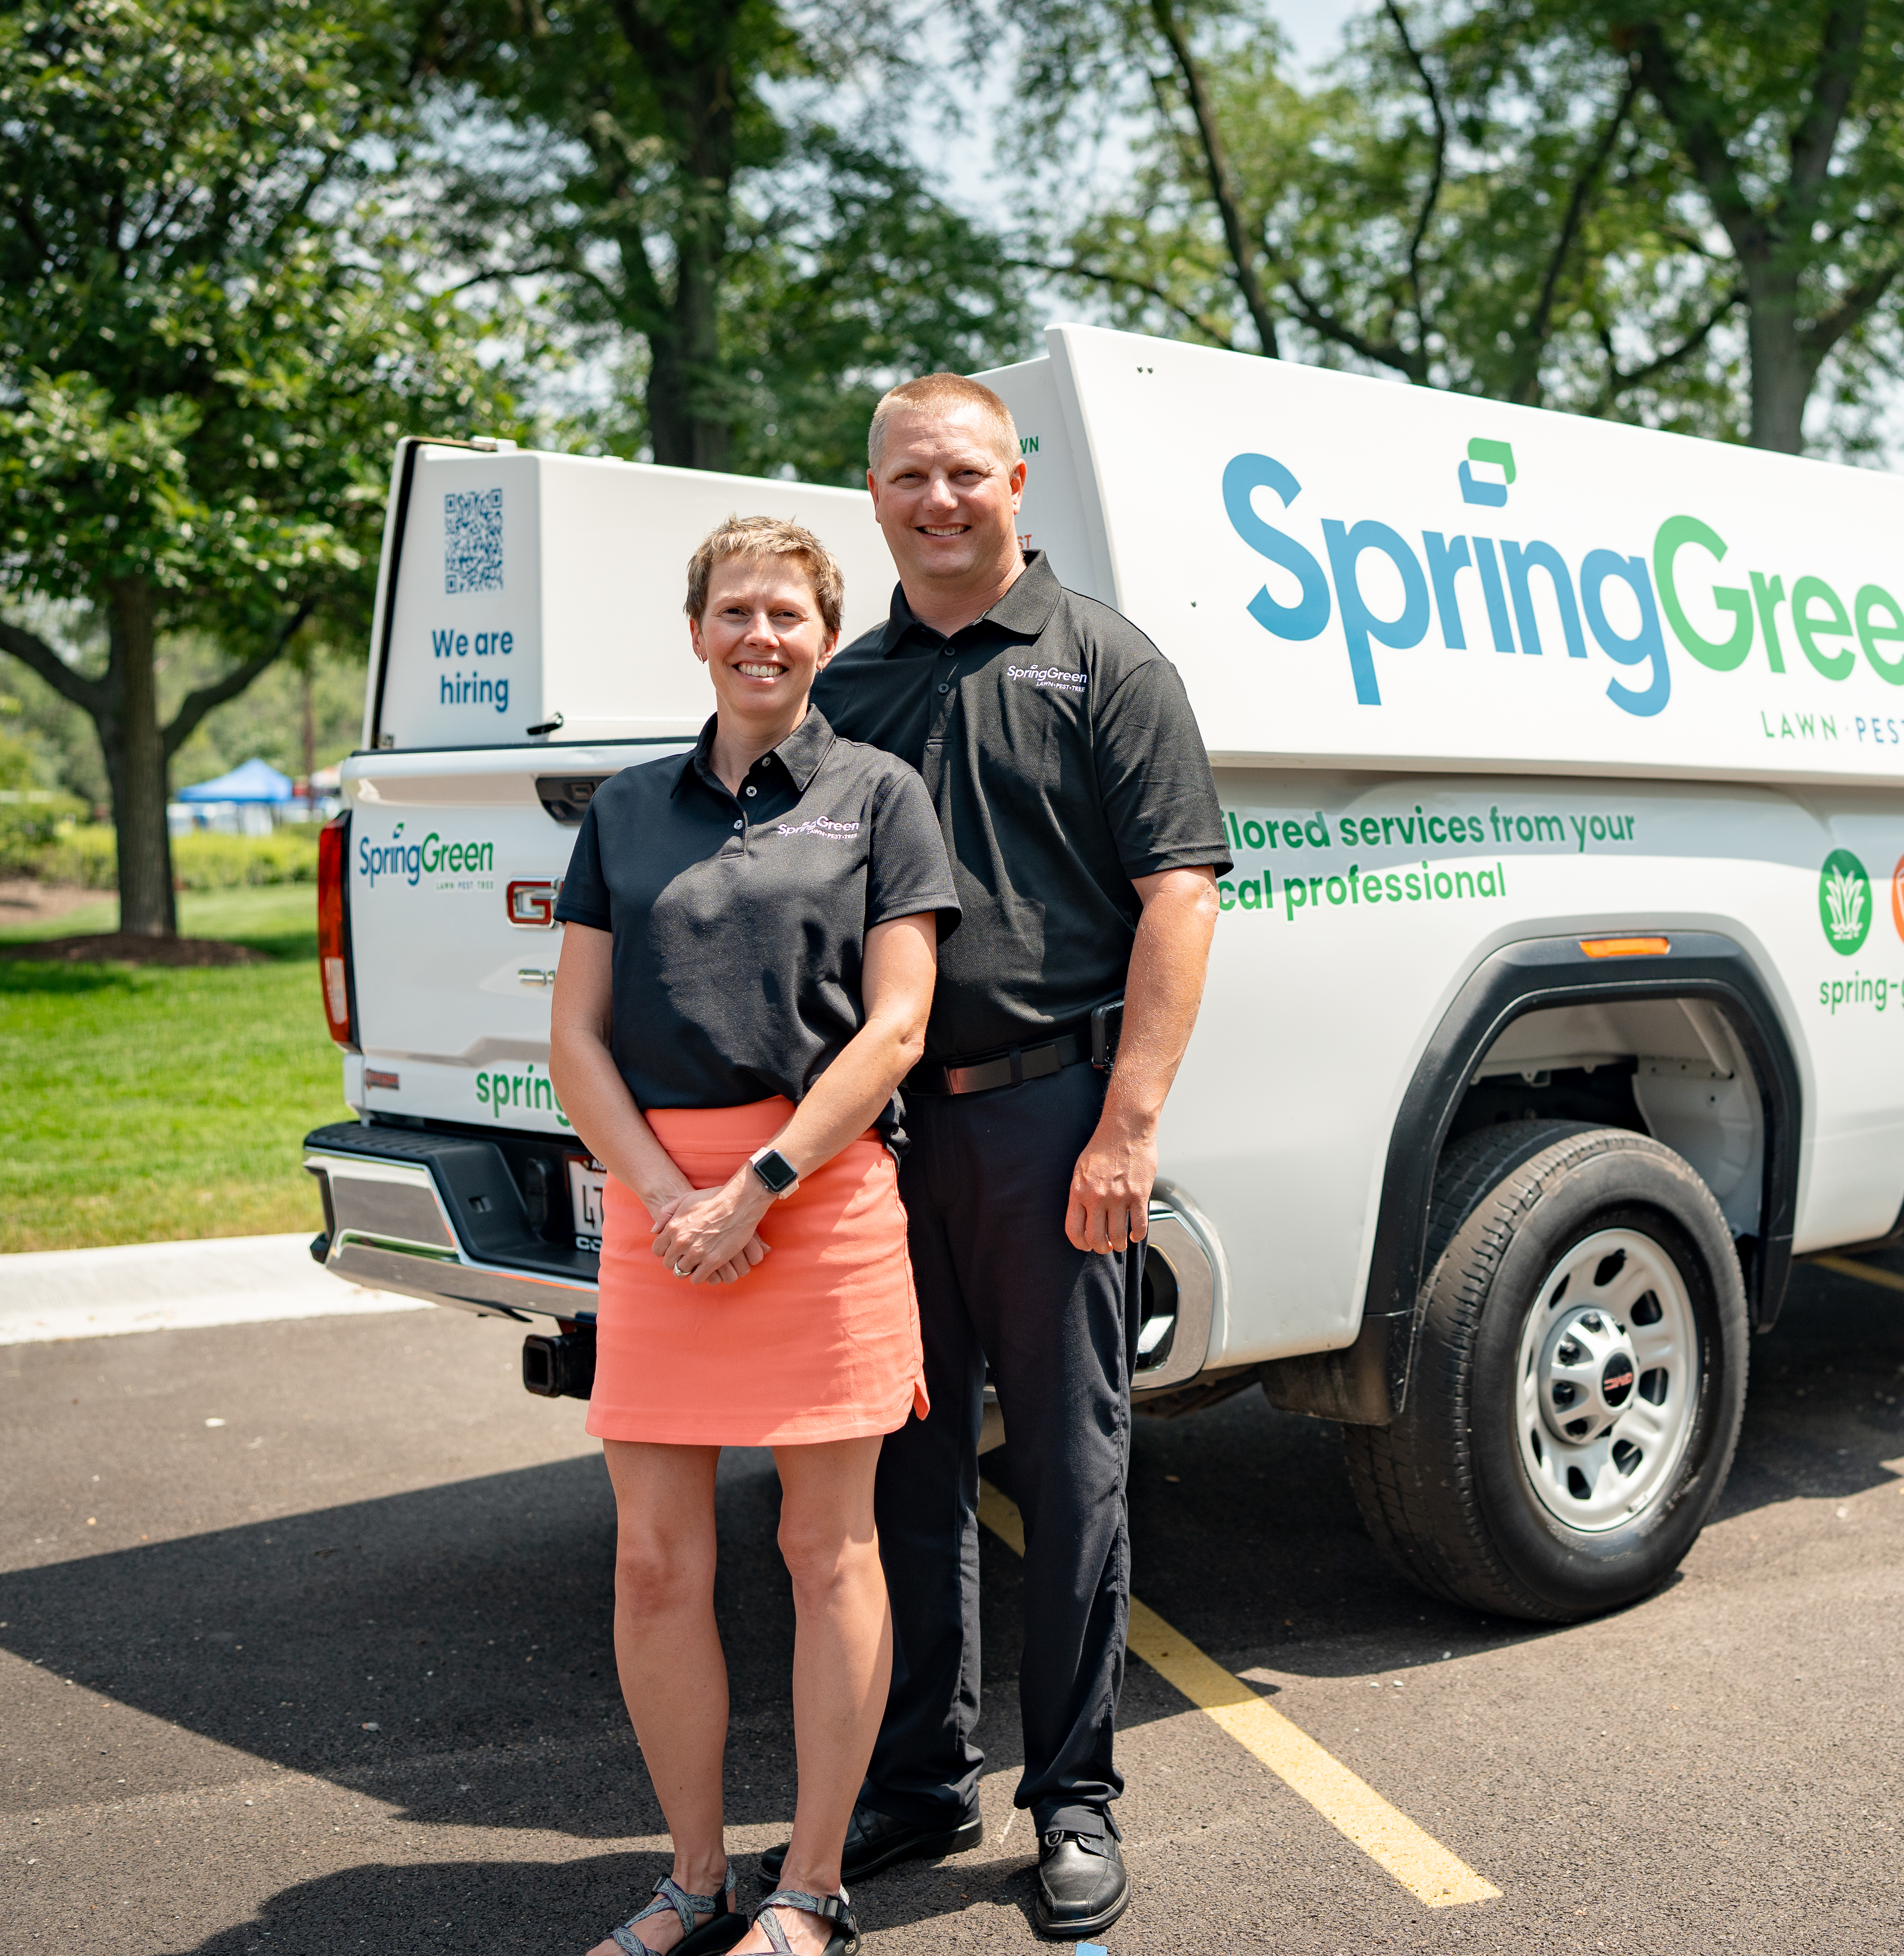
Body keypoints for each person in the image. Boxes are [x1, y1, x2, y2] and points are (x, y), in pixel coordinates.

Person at [761, 372, 1227, 1941]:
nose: (939, 499)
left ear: (1017, 479)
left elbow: (1180, 897)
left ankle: (1075, 1797)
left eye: (966, 471)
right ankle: (919, 1780)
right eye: (909, 476)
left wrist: (1127, 1125)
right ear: (873, 495)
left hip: (1052, 1122)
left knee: (1073, 1470)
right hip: (887, 1136)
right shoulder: (848, 686)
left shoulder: (1107, 662)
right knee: (906, 1466)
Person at [548, 515, 963, 1956]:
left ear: (826, 637)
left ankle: (814, 1886)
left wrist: (762, 1185)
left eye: (787, 613)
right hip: (661, 1212)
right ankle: (695, 1881)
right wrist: (673, 1199)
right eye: (735, 611)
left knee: (824, 1549)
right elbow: (575, 1039)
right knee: (654, 1563)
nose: (760, 636)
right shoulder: (626, 810)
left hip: (821, 1200)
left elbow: (898, 1025)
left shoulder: (882, 795)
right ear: (697, 632)